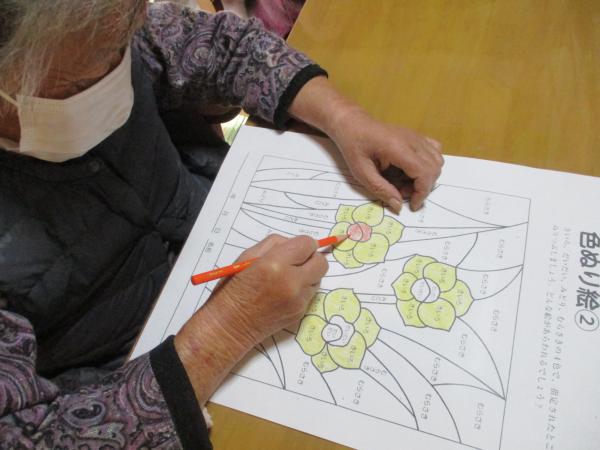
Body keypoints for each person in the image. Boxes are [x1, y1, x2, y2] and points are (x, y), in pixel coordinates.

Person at [0, 0, 443, 448]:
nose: (118, 67)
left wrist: (345, 118)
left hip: (225, 218)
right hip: (137, 377)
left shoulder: (104, 28)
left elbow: (223, 46)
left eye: (122, 46)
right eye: (80, 81)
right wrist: (227, 330)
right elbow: (30, 436)